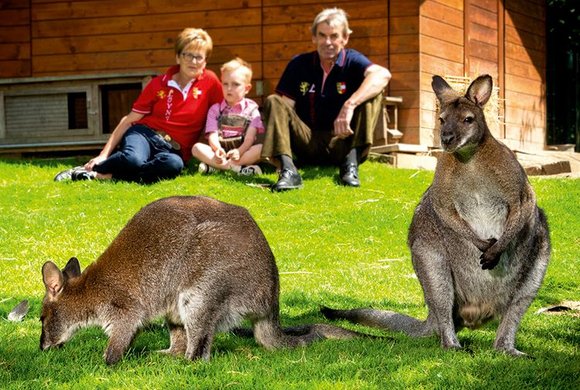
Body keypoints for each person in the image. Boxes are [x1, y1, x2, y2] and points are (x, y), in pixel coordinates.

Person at [54, 28, 223, 184]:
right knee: (133, 159)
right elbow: (128, 120)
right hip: (145, 135)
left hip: (173, 150)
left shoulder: (210, 82)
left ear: (205, 61)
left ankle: (103, 176)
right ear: (178, 57)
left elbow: (221, 114)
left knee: (173, 166)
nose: (193, 61)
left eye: (199, 57)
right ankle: (88, 170)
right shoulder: (158, 84)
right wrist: (102, 155)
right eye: (188, 55)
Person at [261, 8, 391, 191]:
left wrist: (349, 105)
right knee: (274, 101)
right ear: (314, 37)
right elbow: (284, 108)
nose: (327, 42)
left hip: (342, 142)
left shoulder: (352, 60)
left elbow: (382, 74)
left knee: (372, 94)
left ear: (344, 38)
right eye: (322, 35)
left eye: (334, 36)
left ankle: (350, 165)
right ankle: (288, 170)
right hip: (306, 142)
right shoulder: (299, 64)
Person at [192, 57, 264, 176]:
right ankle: (237, 169)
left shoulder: (252, 110)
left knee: (261, 149)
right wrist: (217, 150)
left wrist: (239, 151)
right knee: (197, 148)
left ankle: (215, 167)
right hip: (221, 151)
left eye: (235, 84)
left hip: (242, 151)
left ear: (247, 88)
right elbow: (213, 135)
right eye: (225, 84)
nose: (229, 88)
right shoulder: (215, 109)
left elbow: (249, 139)